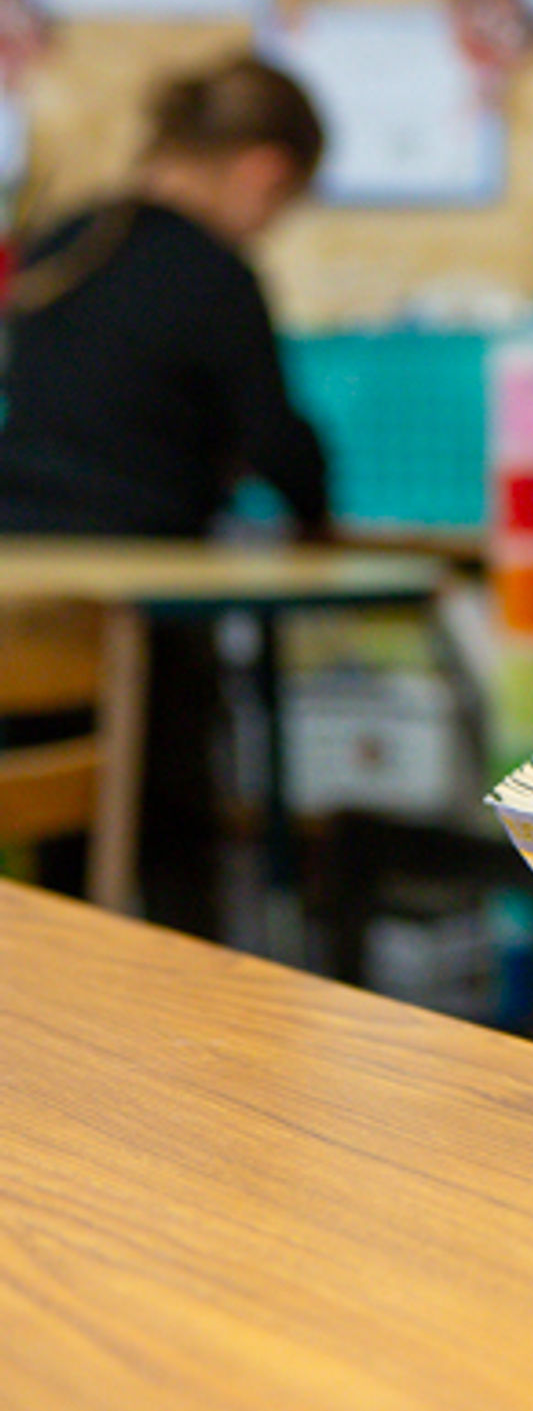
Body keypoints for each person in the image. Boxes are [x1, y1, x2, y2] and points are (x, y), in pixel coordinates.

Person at [0, 53, 332, 937]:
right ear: (263, 169)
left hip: (25, 603)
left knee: (56, 845)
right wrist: (318, 516)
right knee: (172, 845)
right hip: (143, 611)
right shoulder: (213, 274)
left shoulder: (63, 242)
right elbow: (277, 443)